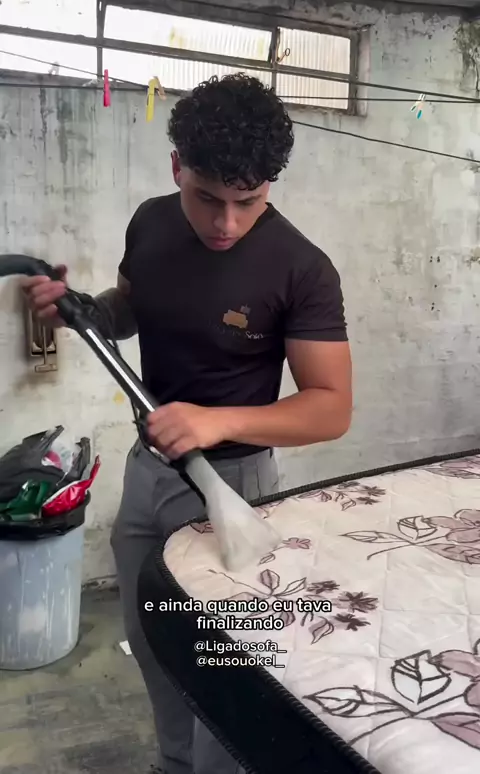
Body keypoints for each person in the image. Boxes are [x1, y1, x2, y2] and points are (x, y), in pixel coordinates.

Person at [22, 73, 352, 774]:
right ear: (178, 168)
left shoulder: (301, 268)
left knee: (222, 664)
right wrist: (85, 311)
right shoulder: (150, 223)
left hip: (232, 487)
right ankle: (175, 764)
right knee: (152, 640)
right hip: (148, 475)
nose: (226, 223)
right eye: (207, 198)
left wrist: (215, 421)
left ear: (269, 186)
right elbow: (128, 310)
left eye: (247, 202)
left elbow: (331, 406)